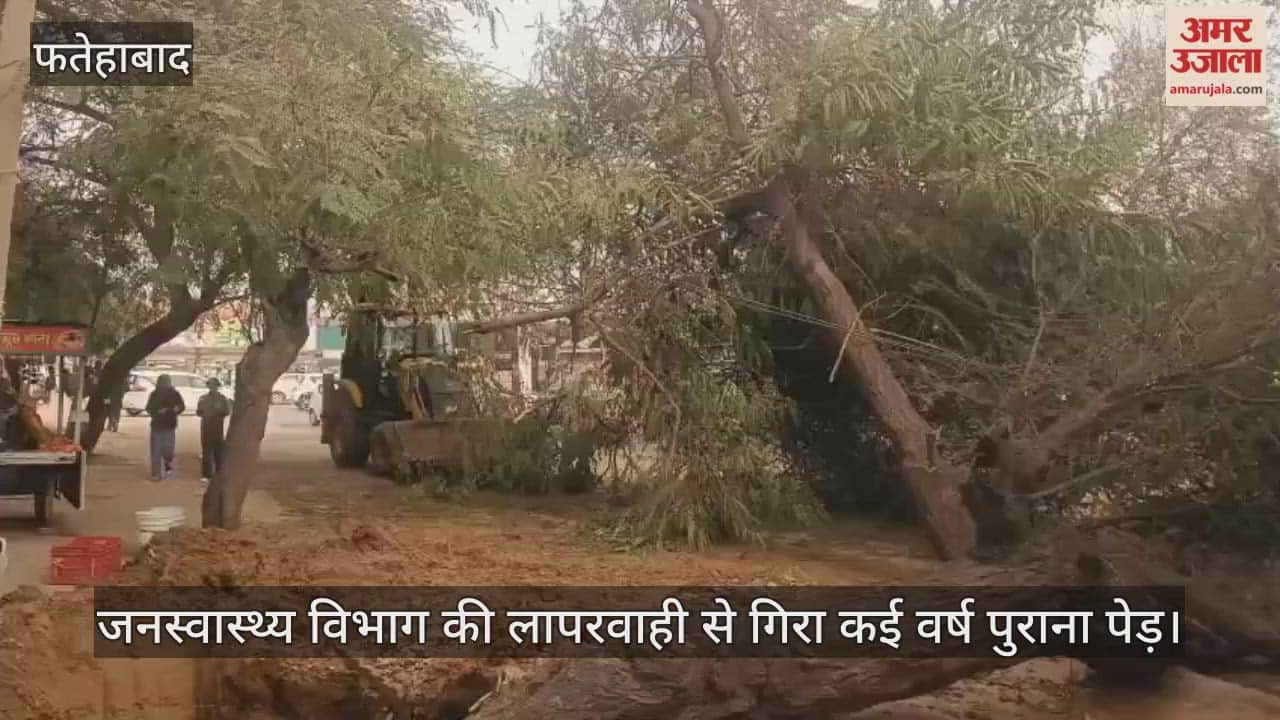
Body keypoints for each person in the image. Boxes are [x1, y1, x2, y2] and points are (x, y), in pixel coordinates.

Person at [144, 374, 185, 481]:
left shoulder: (175, 394)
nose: (164, 383)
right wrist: (157, 412)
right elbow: (148, 408)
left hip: (169, 425)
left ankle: (167, 462)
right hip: (157, 425)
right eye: (162, 381)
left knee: (168, 449)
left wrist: (176, 409)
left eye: (166, 381)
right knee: (156, 451)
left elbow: (181, 406)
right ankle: (156, 473)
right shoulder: (154, 394)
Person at [196, 378, 231, 485]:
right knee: (206, 452)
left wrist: (218, 411)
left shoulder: (222, 399)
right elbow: (199, 412)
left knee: (218, 452)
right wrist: (202, 411)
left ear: (217, 386)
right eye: (210, 385)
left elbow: (226, 411)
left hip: (217, 428)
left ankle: (219, 473)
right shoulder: (203, 398)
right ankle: (206, 475)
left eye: (214, 385)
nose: (212, 387)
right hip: (206, 428)